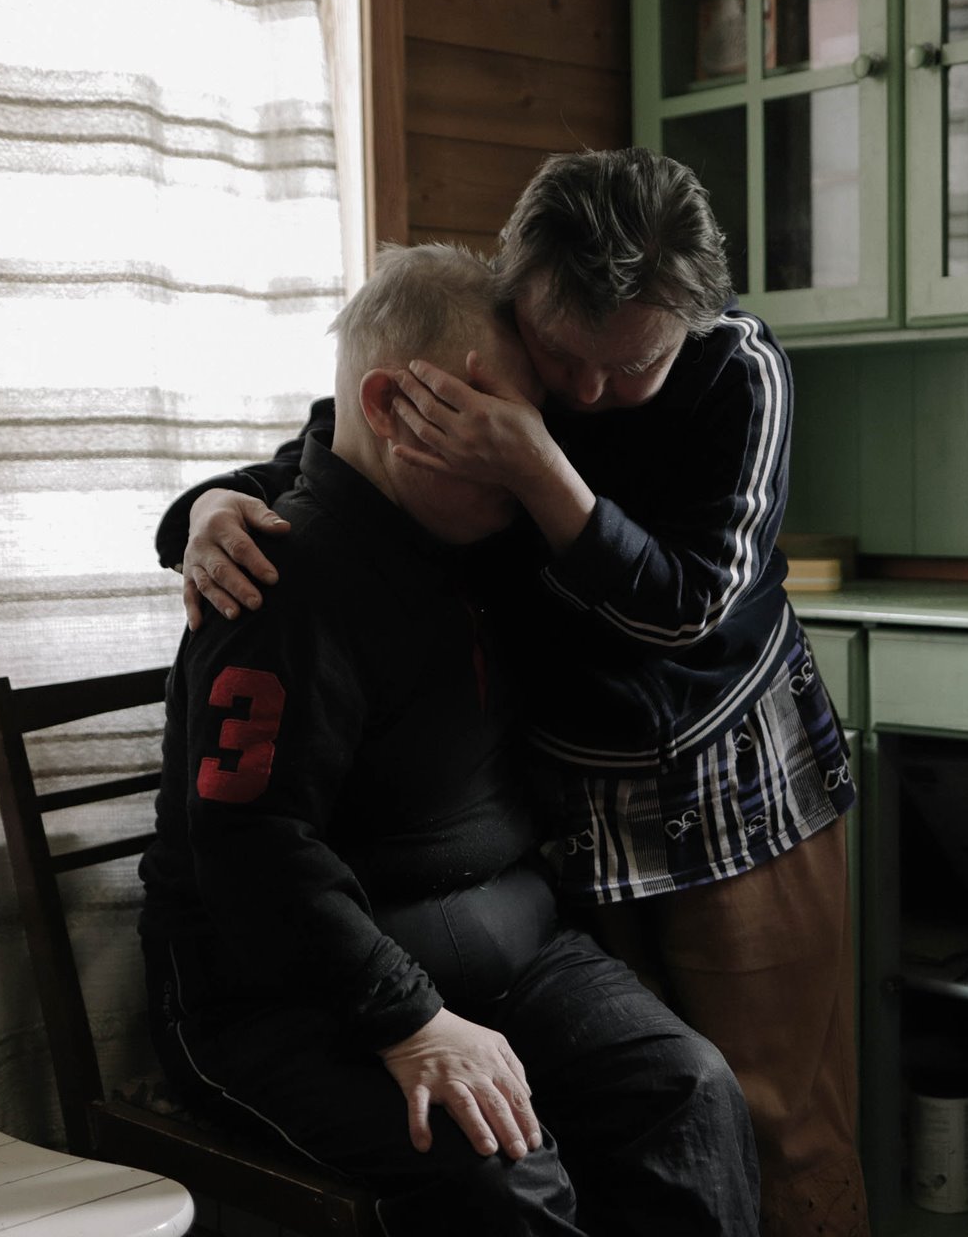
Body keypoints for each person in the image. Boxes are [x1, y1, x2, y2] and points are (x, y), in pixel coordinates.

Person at [158, 148, 867, 1237]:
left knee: (764, 1114)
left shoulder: (731, 373)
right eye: (557, 362)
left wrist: (532, 460)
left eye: (630, 367)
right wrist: (203, 510)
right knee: (561, 1146)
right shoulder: (473, 375)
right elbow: (334, 447)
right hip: (563, 827)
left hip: (723, 785)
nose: (584, 397)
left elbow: (687, 606)